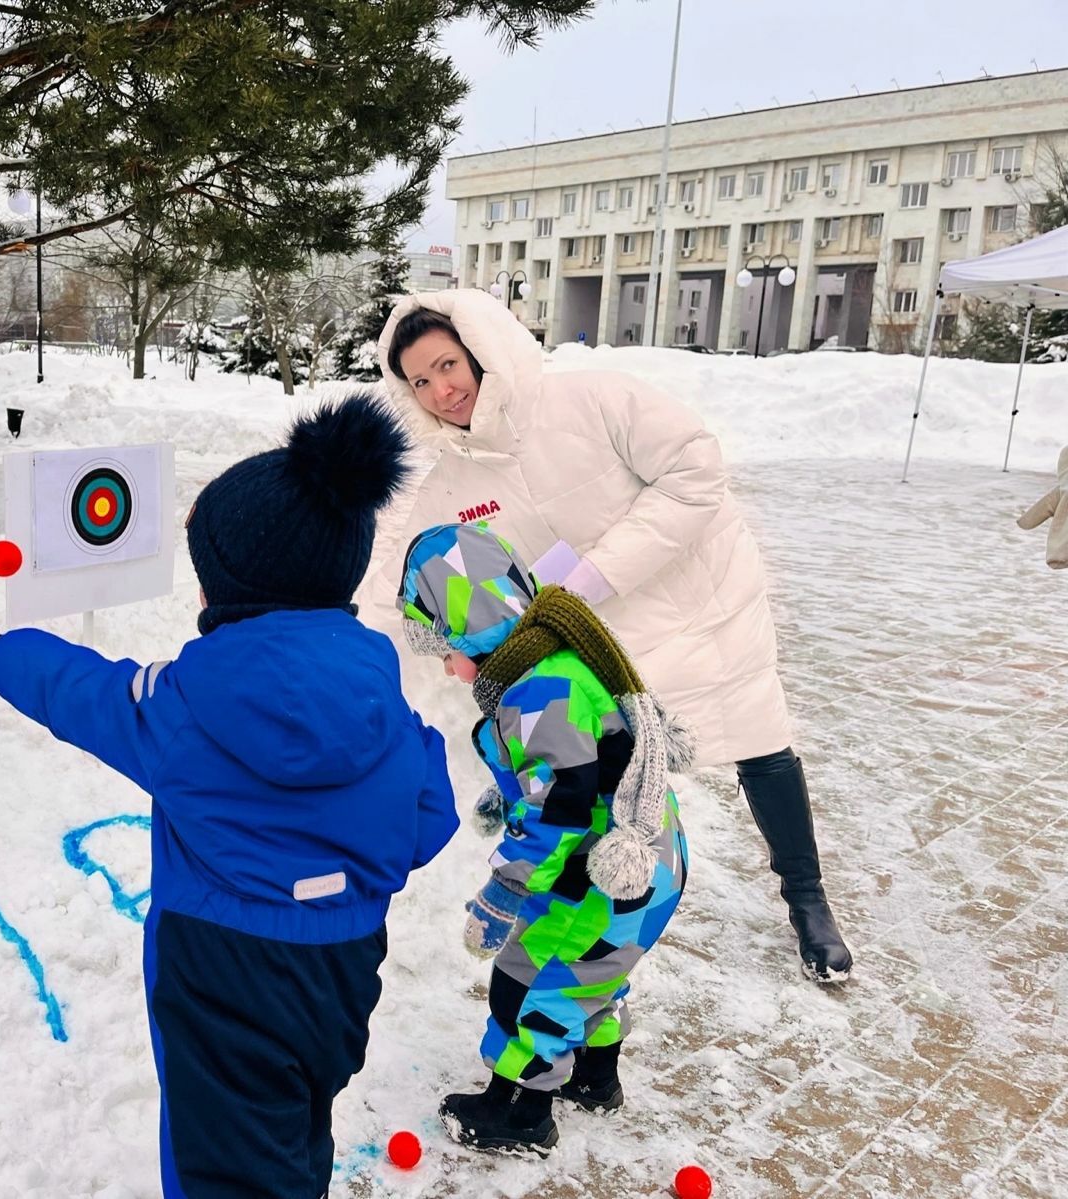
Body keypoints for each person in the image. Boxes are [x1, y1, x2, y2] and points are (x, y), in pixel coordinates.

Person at [0, 394, 459, 1199]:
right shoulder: (385, 700)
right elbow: (431, 818)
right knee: (293, 1120)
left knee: (223, 1166)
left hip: (221, 968)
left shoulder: (182, 707)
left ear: (227, 589)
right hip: (345, 966)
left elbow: (86, 692)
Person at [357, 288, 851, 984]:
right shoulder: (450, 484)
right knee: (609, 784)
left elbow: (695, 471)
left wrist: (590, 578)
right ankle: (604, 948)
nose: (442, 388)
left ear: (481, 350)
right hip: (600, 651)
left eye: (448, 364)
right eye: (420, 380)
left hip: (700, 605)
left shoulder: (591, 399)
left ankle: (807, 897)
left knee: (760, 744)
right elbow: (407, 577)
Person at [397, 522, 688, 1155]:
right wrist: (510, 793)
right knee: (589, 976)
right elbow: (567, 769)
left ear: (473, 625)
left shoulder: (537, 690)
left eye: (445, 647)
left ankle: (522, 1113)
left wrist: (502, 894)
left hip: (604, 874)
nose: (447, 668)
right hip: (648, 861)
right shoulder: (551, 662)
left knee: (529, 978)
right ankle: (594, 1077)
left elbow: (558, 810)